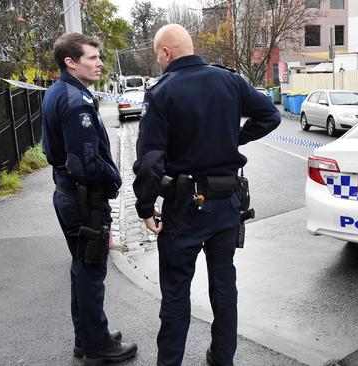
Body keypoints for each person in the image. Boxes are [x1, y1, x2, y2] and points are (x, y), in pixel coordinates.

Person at [133, 24, 280, 366]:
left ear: (167, 52)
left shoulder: (161, 93)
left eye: (157, 53)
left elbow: (150, 161)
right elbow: (269, 115)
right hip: (227, 204)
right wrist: (235, 139)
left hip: (185, 207)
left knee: (175, 293)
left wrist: (145, 207)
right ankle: (222, 358)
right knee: (224, 287)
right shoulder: (229, 80)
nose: (158, 60)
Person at [41, 33, 137, 366]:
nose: (99, 63)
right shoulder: (75, 101)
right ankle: (97, 348)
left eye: (99, 57)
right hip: (84, 201)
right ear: (70, 62)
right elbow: (84, 162)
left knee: (82, 268)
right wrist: (115, 178)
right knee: (91, 270)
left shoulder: (59, 92)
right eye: (92, 58)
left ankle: (88, 338)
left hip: (69, 195)